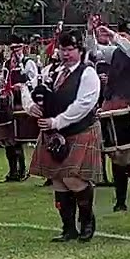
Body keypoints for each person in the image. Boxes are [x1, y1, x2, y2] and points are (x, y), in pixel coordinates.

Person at [29, 31, 104, 241]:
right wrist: (31, 106)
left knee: (73, 179)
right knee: (58, 181)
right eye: (62, 49)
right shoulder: (51, 71)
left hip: (78, 130)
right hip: (54, 133)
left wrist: (57, 121)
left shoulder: (88, 74)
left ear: (80, 50)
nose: (66, 54)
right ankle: (68, 228)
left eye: (70, 49)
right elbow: (31, 88)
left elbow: (83, 105)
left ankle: (87, 222)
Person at [86, 22, 130, 212]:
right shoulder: (115, 52)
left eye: (126, 35)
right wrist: (90, 32)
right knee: (113, 152)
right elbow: (94, 51)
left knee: (124, 153)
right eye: (121, 34)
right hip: (113, 102)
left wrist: (115, 36)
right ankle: (121, 200)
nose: (122, 38)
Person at [0, 33, 39, 182]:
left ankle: (22, 170)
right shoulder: (7, 64)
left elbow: (34, 82)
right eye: (13, 48)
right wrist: (2, 84)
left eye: (17, 48)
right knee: (9, 139)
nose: (15, 51)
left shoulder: (28, 63)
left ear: (22, 48)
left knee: (19, 138)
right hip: (9, 103)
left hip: (22, 103)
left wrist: (22, 86)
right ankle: (12, 171)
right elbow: (2, 80)